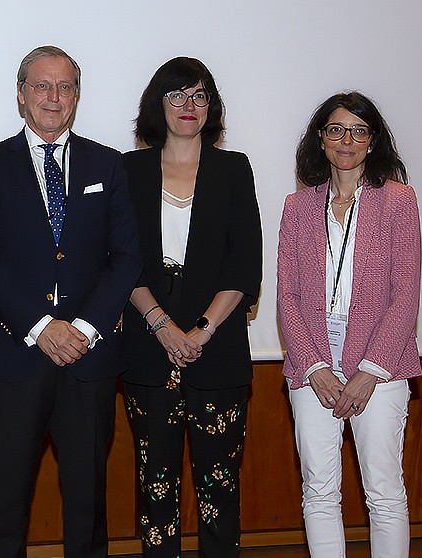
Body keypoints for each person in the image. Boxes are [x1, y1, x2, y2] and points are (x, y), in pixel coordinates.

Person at [0, 45, 142, 558]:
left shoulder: (107, 164)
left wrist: (84, 328)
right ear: (20, 95)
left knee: (87, 504)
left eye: (65, 87)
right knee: (6, 503)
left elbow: (126, 257)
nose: (53, 97)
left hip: (90, 360)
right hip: (13, 358)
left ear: (78, 96)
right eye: (41, 86)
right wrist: (42, 326)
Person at [121, 57, 262, 557]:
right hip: (146, 349)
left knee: (219, 490)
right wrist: (162, 325)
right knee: (155, 487)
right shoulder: (130, 169)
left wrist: (199, 331)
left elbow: (244, 267)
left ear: (212, 106)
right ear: (158, 104)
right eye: (177, 95)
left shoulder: (233, 169)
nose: (188, 105)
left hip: (217, 352)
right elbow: (120, 262)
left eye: (199, 95)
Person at [277, 91, 422, 558]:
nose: (347, 139)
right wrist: (315, 366)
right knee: (319, 491)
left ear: (372, 141)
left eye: (358, 130)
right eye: (336, 129)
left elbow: (406, 296)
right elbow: (287, 297)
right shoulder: (298, 207)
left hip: (381, 370)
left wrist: (370, 371)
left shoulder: (398, 201)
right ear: (321, 139)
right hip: (312, 367)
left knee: (384, 492)